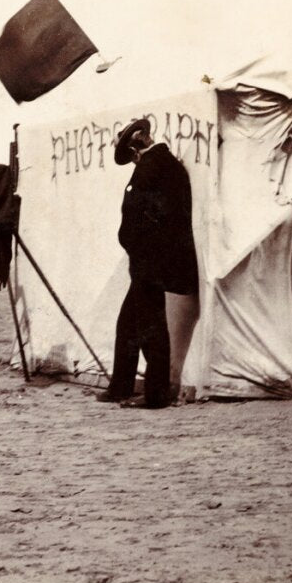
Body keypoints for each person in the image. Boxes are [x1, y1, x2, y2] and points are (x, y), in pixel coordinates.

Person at [99, 118, 198, 409]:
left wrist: (135, 245)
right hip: (150, 260)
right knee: (129, 324)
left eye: (131, 152)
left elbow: (147, 216)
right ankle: (121, 386)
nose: (133, 159)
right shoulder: (165, 165)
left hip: (149, 262)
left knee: (151, 328)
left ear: (139, 143)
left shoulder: (153, 168)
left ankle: (155, 394)